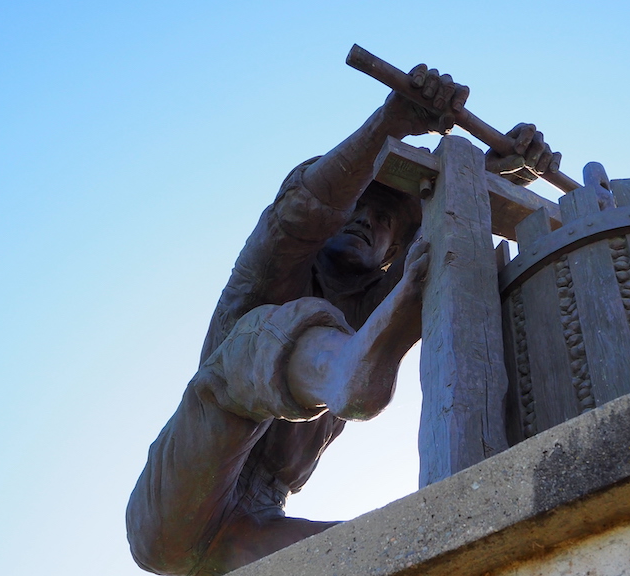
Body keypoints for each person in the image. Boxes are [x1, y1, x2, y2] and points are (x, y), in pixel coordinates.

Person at [126, 64, 560, 576]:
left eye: (383, 221)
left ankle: (352, 372)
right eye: (360, 206)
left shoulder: (395, 287)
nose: (364, 219)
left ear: (392, 248)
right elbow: (304, 207)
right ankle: (345, 369)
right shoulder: (276, 270)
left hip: (256, 527)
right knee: (253, 336)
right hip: (174, 507)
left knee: (409, 552)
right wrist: (390, 123)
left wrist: (491, 174)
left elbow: (444, 234)